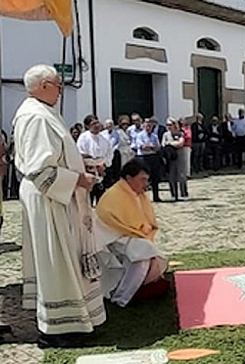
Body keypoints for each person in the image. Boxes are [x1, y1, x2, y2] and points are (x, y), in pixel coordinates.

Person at [13, 64, 105, 347]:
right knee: (57, 263)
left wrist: (83, 167)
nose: (61, 90)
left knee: (66, 261)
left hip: (58, 198)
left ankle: (76, 320)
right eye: (57, 84)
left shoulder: (44, 112)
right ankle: (59, 329)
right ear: (42, 86)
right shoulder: (35, 117)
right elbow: (41, 170)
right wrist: (80, 179)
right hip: (50, 200)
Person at [95, 159, 168, 307]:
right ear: (129, 178)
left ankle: (137, 288)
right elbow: (109, 222)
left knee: (144, 251)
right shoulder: (114, 194)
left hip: (132, 236)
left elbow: (145, 219)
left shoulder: (138, 194)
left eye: (147, 180)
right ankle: (121, 297)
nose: (145, 184)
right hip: (113, 239)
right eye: (142, 180)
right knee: (142, 254)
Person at [77, 115, 114, 206]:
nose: (96, 125)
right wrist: (93, 166)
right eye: (93, 124)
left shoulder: (104, 138)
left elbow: (110, 153)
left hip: (102, 170)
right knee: (88, 200)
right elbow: (80, 153)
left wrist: (104, 165)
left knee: (101, 199)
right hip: (89, 171)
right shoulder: (83, 138)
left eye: (97, 122)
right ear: (88, 126)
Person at [134, 119, 162, 202]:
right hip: (143, 158)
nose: (148, 127)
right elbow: (142, 147)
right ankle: (142, 197)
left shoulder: (154, 136)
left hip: (153, 157)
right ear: (144, 126)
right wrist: (151, 147)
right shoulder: (140, 135)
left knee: (155, 177)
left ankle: (156, 196)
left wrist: (150, 147)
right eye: (147, 126)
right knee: (143, 178)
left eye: (150, 126)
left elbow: (158, 147)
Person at [161, 117, 185, 201]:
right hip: (169, 157)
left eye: (170, 125)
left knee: (181, 174)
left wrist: (170, 144)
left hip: (179, 156)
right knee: (171, 176)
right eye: (167, 125)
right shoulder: (165, 134)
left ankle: (183, 192)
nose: (168, 126)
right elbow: (163, 144)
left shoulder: (180, 133)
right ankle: (173, 193)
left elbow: (180, 143)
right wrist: (173, 144)